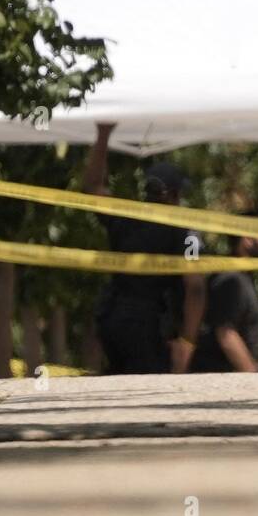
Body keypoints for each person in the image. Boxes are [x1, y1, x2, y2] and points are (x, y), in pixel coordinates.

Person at [84, 123, 206, 374]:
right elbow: (194, 287)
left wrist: (102, 135)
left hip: (112, 318)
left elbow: (93, 188)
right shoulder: (185, 232)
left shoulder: (126, 216)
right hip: (150, 326)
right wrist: (188, 341)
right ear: (174, 195)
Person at [187, 233, 258, 373]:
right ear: (247, 240)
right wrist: (252, 375)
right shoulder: (231, 280)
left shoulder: (241, 277)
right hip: (218, 377)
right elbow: (226, 334)